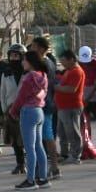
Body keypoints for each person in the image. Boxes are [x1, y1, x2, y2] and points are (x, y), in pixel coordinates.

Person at [8, 51, 51, 190]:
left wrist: (13, 111)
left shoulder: (29, 78)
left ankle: (30, 180)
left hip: (28, 112)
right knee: (39, 146)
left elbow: (21, 97)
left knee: (29, 147)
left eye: (24, 60)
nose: (22, 62)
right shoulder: (43, 76)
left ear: (31, 62)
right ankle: (43, 178)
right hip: (39, 111)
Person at [29, 37, 61, 179]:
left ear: (41, 48)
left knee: (45, 138)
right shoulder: (49, 62)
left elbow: (42, 87)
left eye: (34, 47)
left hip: (43, 104)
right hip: (47, 103)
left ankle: (49, 169)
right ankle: (51, 168)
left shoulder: (43, 64)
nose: (31, 49)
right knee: (45, 137)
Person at [0, 45, 26, 175]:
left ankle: (30, 163)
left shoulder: (28, 72)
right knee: (15, 140)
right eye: (11, 55)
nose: (14, 58)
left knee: (26, 139)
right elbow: (2, 92)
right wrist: (5, 110)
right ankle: (20, 164)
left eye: (17, 55)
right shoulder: (6, 73)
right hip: (10, 110)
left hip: (25, 109)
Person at [55, 49, 85, 164]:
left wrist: (56, 87)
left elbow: (71, 89)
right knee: (62, 132)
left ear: (71, 59)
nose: (62, 63)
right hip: (63, 107)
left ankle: (75, 155)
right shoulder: (69, 70)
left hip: (71, 106)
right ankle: (65, 153)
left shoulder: (76, 71)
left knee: (72, 131)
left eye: (63, 61)